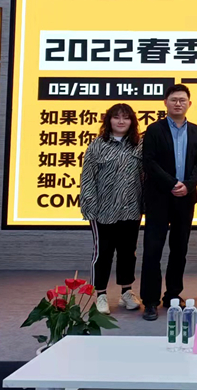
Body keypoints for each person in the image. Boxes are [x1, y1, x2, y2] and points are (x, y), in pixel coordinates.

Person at [140, 84, 197, 321]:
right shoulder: (154, 130)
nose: (178, 103)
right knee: (153, 249)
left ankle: (173, 295)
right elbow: (149, 162)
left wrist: (188, 185)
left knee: (179, 249)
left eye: (182, 100)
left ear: (189, 103)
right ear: (165, 103)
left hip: (185, 198)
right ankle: (150, 300)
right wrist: (172, 183)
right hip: (159, 197)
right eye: (174, 99)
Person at [80, 103, 144, 316]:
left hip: (131, 209)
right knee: (103, 253)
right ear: (109, 121)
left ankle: (126, 291)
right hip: (103, 211)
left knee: (128, 252)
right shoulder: (97, 145)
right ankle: (100, 294)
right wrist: (90, 206)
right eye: (116, 117)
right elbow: (87, 178)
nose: (121, 121)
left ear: (132, 121)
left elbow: (145, 176)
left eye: (126, 117)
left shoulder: (138, 145)